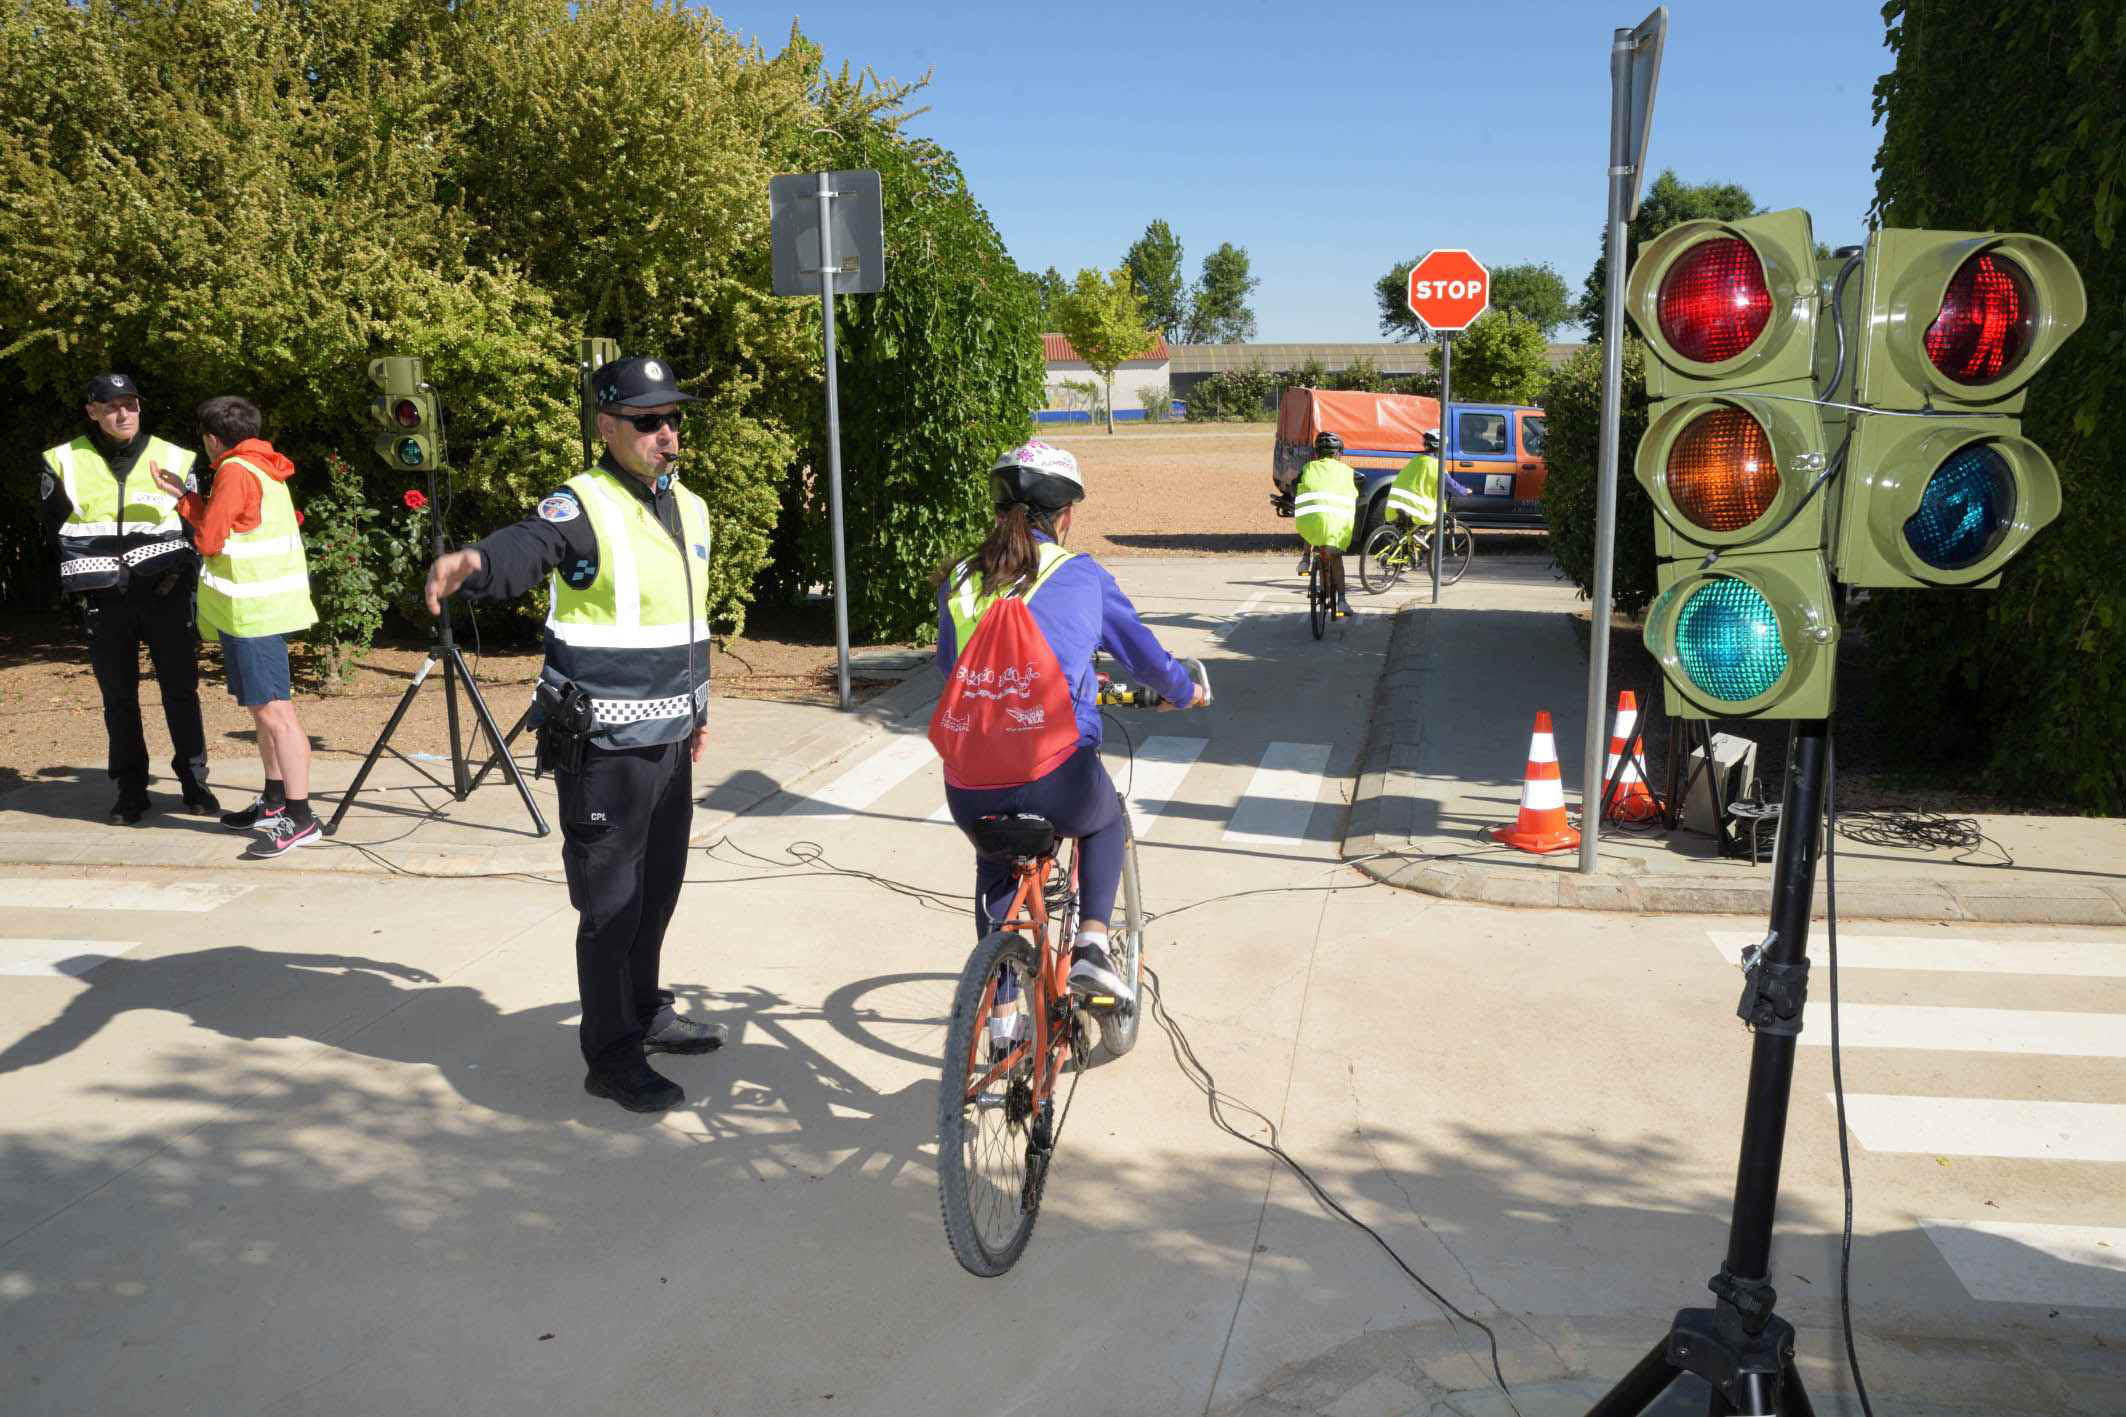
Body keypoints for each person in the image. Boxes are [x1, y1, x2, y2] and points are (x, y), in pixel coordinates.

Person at [422, 356, 724, 1115]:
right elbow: (530, 545)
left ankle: (647, 1008)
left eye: (673, 418)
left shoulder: (688, 506)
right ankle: (611, 1053)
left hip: (669, 740)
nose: (667, 433)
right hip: (604, 749)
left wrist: (698, 712)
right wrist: (476, 562)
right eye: (648, 421)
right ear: (607, 428)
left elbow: (686, 620)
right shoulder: (582, 504)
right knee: (610, 905)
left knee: (656, 894)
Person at [935, 440, 1206, 1031]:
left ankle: (1004, 1019)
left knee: (997, 863)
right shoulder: (1081, 575)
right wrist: (1186, 691)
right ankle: (1090, 946)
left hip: (968, 781)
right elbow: (1146, 658)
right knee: (1105, 819)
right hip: (1055, 775)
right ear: (1065, 515)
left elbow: (955, 666)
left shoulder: (959, 578)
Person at [40, 372, 217, 824]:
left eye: (131, 404)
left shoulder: (175, 457)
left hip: (167, 593)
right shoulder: (62, 460)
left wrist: (183, 577)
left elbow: (197, 526)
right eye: (112, 405)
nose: (123, 413)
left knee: (181, 692)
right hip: (103, 597)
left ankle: (195, 784)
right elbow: (54, 529)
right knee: (118, 698)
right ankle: (131, 790)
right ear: (92, 411)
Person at [154, 396, 321, 858]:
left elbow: (209, 539)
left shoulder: (233, 471)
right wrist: (186, 497)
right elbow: (236, 521)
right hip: (255, 609)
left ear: (212, 439)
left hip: (253, 612)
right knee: (263, 710)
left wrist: (187, 509)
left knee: (275, 714)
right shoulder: (262, 464)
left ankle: (300, 816)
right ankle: (273, 800)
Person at [1295, 430, 1358, 618]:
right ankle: (1342, 601)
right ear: (1338, 453)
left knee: (1312, 522)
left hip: (1310, 523)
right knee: (1336, 558)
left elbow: (1296, 485)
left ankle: (1305, 559)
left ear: (1316, 452)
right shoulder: (1348, 472)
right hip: (1336, 525)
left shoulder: (1307, 468)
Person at [1386, 428, 1442, 531]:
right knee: (1433, 515)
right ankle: (1421, 533)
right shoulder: (1435, 464)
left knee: (1407, 531)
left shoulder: (1416, 459)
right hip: (1413, 503)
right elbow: (1449, 483)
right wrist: (1463, 491)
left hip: (1395, 499)